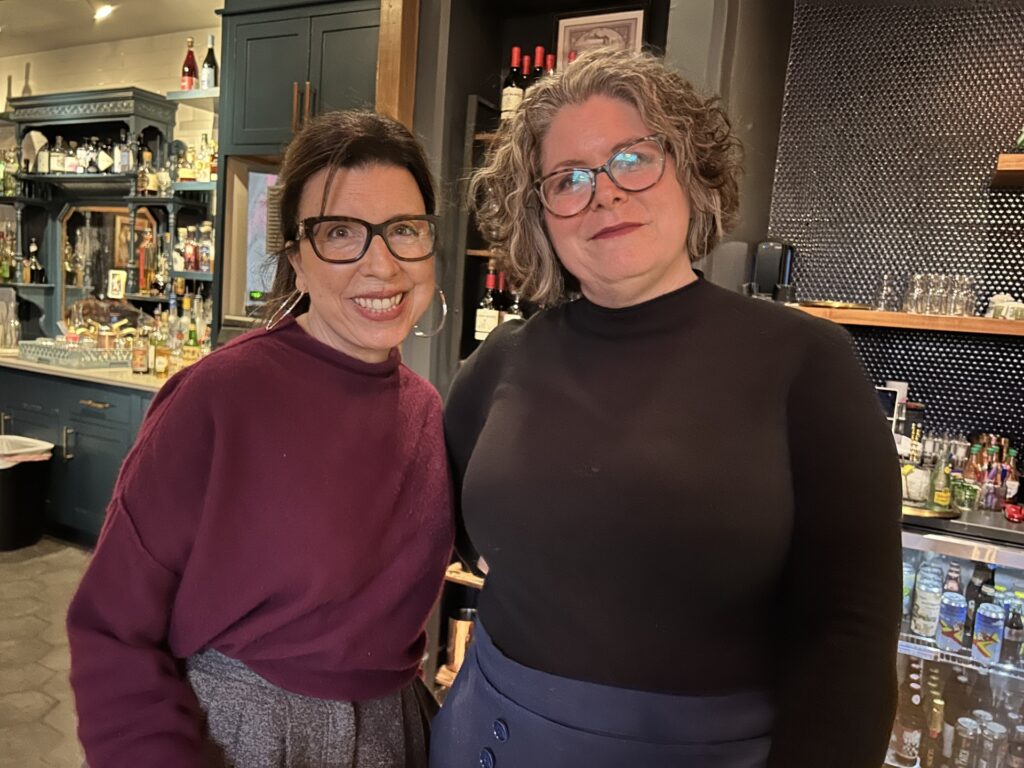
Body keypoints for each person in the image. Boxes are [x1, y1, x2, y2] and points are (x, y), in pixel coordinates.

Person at [431, 49, 902, 767]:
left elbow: (850, 632)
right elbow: (440, 529)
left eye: (631, 159)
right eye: (568, 179)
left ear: (691, 168)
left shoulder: (806, 361)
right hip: (490, 736)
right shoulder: (500, 360)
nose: (604, 195)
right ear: (541, 216)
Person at [68, 110, 455, 768]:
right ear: (296, 256)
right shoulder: (216, 399)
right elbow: (112, 632)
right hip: (238, 740)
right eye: (340, 233)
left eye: (404, 230)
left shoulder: (427, 411)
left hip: (396, 733)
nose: (381, 263)